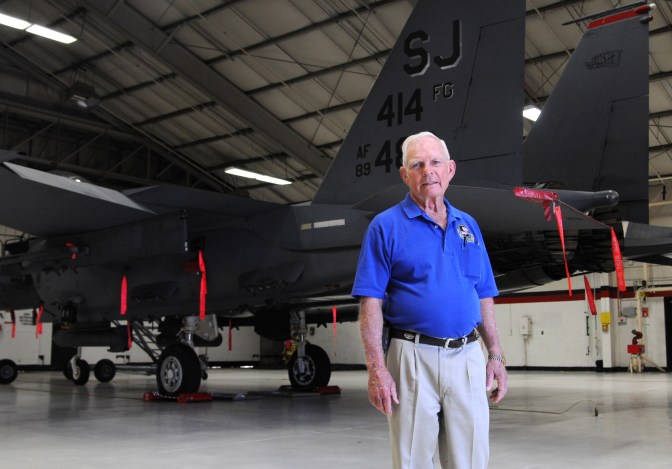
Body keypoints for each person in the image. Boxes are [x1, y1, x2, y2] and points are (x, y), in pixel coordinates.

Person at [352, 131, 507, 469]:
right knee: (412, 461)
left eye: (435, 162)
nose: (428, 172)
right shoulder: (385, 227)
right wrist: (377, 369)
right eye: (417, 165)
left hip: (468, 357)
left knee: (470, 461)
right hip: (411, 356)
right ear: (404, 174)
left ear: (450, 169)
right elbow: (370, 303)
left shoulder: (468, 226)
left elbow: (483, 295)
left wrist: (494, 354)